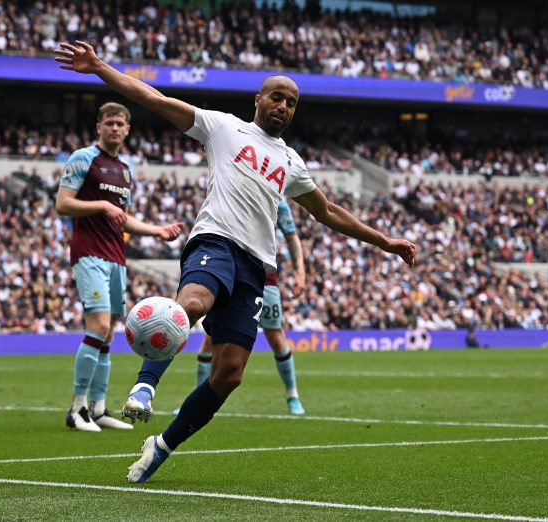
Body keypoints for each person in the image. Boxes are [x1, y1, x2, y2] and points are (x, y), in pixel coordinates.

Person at [54, 40, 417, 480]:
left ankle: (162, 444)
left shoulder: (291, 161)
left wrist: (384, 241)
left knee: (229, 373)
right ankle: (145, 386)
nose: (284, 106)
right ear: (258, 100)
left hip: (257, 268)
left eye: (292, 102)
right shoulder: (223, 128)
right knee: (194, 303)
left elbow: (328, 212)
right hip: (216, 240)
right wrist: (99, 68)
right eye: (277, 97)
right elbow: (154, 98)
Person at [55, 101, 183, 432]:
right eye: (109, 122)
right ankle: (76, 408)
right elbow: (63, 204)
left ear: (128, 130)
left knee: (109, 332)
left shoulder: (125, 170)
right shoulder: (83, 158)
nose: (114, 128)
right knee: (97, 325)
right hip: (90, 254)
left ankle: (98, 409)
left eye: (120, 124)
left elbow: (121, 217)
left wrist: (156, 230)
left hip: (116, 257)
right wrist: (101, 205)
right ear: (98, 126)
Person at [178, 198, 307, 416]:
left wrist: (300, 272)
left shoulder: (277, 200)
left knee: (275, 336)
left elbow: (291, 235)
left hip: (264, 277)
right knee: (210, 339)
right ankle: (195, 397)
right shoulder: (234, 186)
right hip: (230, 272)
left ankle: (292, 394)